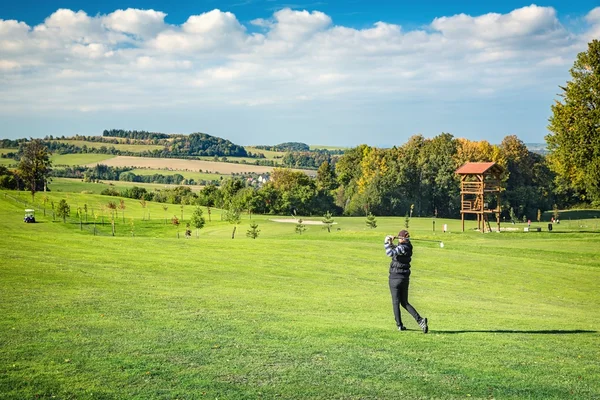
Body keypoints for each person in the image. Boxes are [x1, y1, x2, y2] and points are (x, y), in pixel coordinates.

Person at [384, 230, 428, 333]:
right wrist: (391, 243)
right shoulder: (408, 247)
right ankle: (420, 320)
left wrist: (386, 242)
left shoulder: (402, 247)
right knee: (404, 302)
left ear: (403, 238)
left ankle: (399, 325)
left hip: (395, 278)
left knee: (395, 303)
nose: (398, 239)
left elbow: (390, 253)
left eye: (400, 237)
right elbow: (396, 249)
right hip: (404, 279)